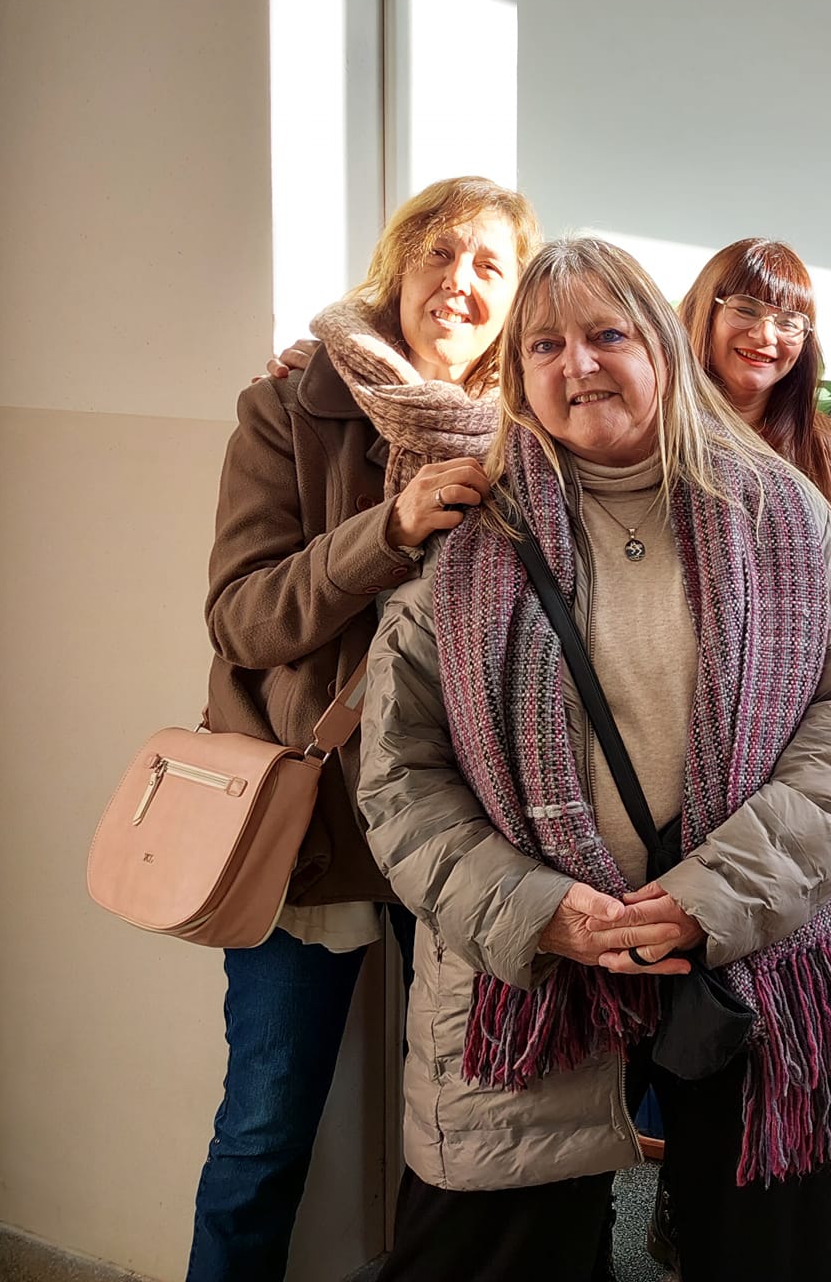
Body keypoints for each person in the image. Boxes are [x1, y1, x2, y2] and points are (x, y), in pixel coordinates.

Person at [358, 236, 831, 1282]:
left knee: (756, 1258)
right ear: (517, 375)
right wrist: (534, 909)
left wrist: (712, 895)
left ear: (661, 348)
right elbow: (401, 776)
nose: (578, 364)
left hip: (749, 961)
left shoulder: (782, 514)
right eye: (544, 345)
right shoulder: (467, 534)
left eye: (607, 334)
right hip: (527, 976)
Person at [188, 175, 536, 1282]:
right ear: (398, 264)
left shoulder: (538, 431)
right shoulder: (291, 406)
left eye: (489, 264)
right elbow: (242, 617)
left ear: (518, 298)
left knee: (470, 1130)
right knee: (263, 1129)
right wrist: (388, 529)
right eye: (438, 251)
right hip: (318, 826)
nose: (459, 280)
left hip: (471, 833)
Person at [677, 236, 831, 611]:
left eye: (789, 321)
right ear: (704, 312)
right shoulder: (657, 432)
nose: (765, 335)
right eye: (746, 309)